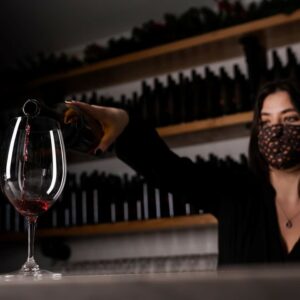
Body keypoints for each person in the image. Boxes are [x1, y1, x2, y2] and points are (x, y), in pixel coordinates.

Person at [66, 79, 300, 266]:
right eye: (266, 122)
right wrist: (125, 123)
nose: (276, 131)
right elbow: (170, 171)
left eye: (290, 118)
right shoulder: (235, 190)